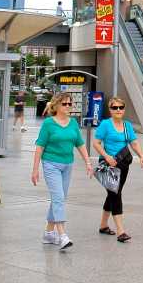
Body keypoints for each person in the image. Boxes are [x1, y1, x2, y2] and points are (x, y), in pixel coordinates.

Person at [31, 92, 93, 250]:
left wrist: (87, 162)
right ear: (56, 105)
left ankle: (48, 232)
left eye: (70, 104)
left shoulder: (73, 123)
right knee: (58, 197)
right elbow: (40, 146)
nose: (68, 107)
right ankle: (62, 235)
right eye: (64, 104)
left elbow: (79, 143)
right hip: (51, 163)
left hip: (67, 165)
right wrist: (35, 169)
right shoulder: (49, 124)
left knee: (59, 198)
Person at [91, 97, 143, 242]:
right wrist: (106, 156)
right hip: (109, 164)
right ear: (110, 110)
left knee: (113, 193)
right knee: (115, 195)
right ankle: (120, 231)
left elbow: (133, 143)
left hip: (123, 164)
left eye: (121, 107)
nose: (118, 110)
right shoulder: (105, 124)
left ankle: (103, 225)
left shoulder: (127, 125)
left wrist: (141, 156)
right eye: (115, 107)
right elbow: (96, 143)